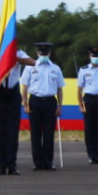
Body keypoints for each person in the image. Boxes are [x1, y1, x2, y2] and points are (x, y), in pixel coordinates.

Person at [0, 45, 35, 175]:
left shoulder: (19, 53)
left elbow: (33, 62)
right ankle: (1, 165)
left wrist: (13, 57)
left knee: (12, 131)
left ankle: (12, 164)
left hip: (13, 93)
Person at [21, 42, 64, 171]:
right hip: (34, 102)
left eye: (45, 53)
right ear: (37, 53)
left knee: (49, 133)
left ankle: (48, 162)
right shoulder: (30, 67)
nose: (43, 55)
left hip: (50, 102)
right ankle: (37, 162)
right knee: (35, 133)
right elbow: (24, 87)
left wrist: (59, 106)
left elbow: (60, 89)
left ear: (49, 53)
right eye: (41, 52)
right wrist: (25, 104)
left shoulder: (55, 69)